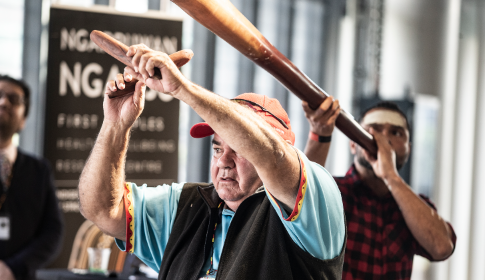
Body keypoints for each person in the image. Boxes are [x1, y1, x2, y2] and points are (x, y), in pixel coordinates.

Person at [78, 45, 346, 280]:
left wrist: (183, 88)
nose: (224, 163)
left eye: (240, 149)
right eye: (218, 149)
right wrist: (115, 126)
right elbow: (102, 210)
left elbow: (273, 157)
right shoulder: (186, 207)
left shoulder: (313, 205)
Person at [302, 97, 456, 280]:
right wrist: (319, 133)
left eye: (396, 133)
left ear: (408, 149)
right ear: (353, 144)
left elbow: (442, 247)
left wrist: (390, 176)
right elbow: (298, 200)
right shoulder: (333, 191)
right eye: (372, 129)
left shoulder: (413, 207)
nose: (383, 140)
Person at [0, 75, 63, 280]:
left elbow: (52, 233)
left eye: (14, 99)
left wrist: (12, 268)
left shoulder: (39, 170)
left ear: (24, 119)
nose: (3, 102)